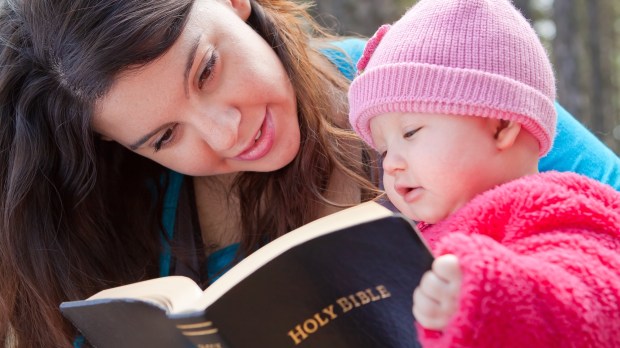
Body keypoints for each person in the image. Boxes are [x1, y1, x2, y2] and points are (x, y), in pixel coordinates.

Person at [0, 0, 617, 347]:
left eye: (207, 70)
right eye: (165, 136)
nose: (226, 132)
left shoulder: (426, 90)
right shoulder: (130, 221)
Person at [348, 0, 620, 347]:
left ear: (500, 125)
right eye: (384, 149)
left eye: (411, 132)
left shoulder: (557, 206)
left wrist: (491, 296)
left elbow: (597, 300)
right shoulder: (417, 236)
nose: (390, 164)